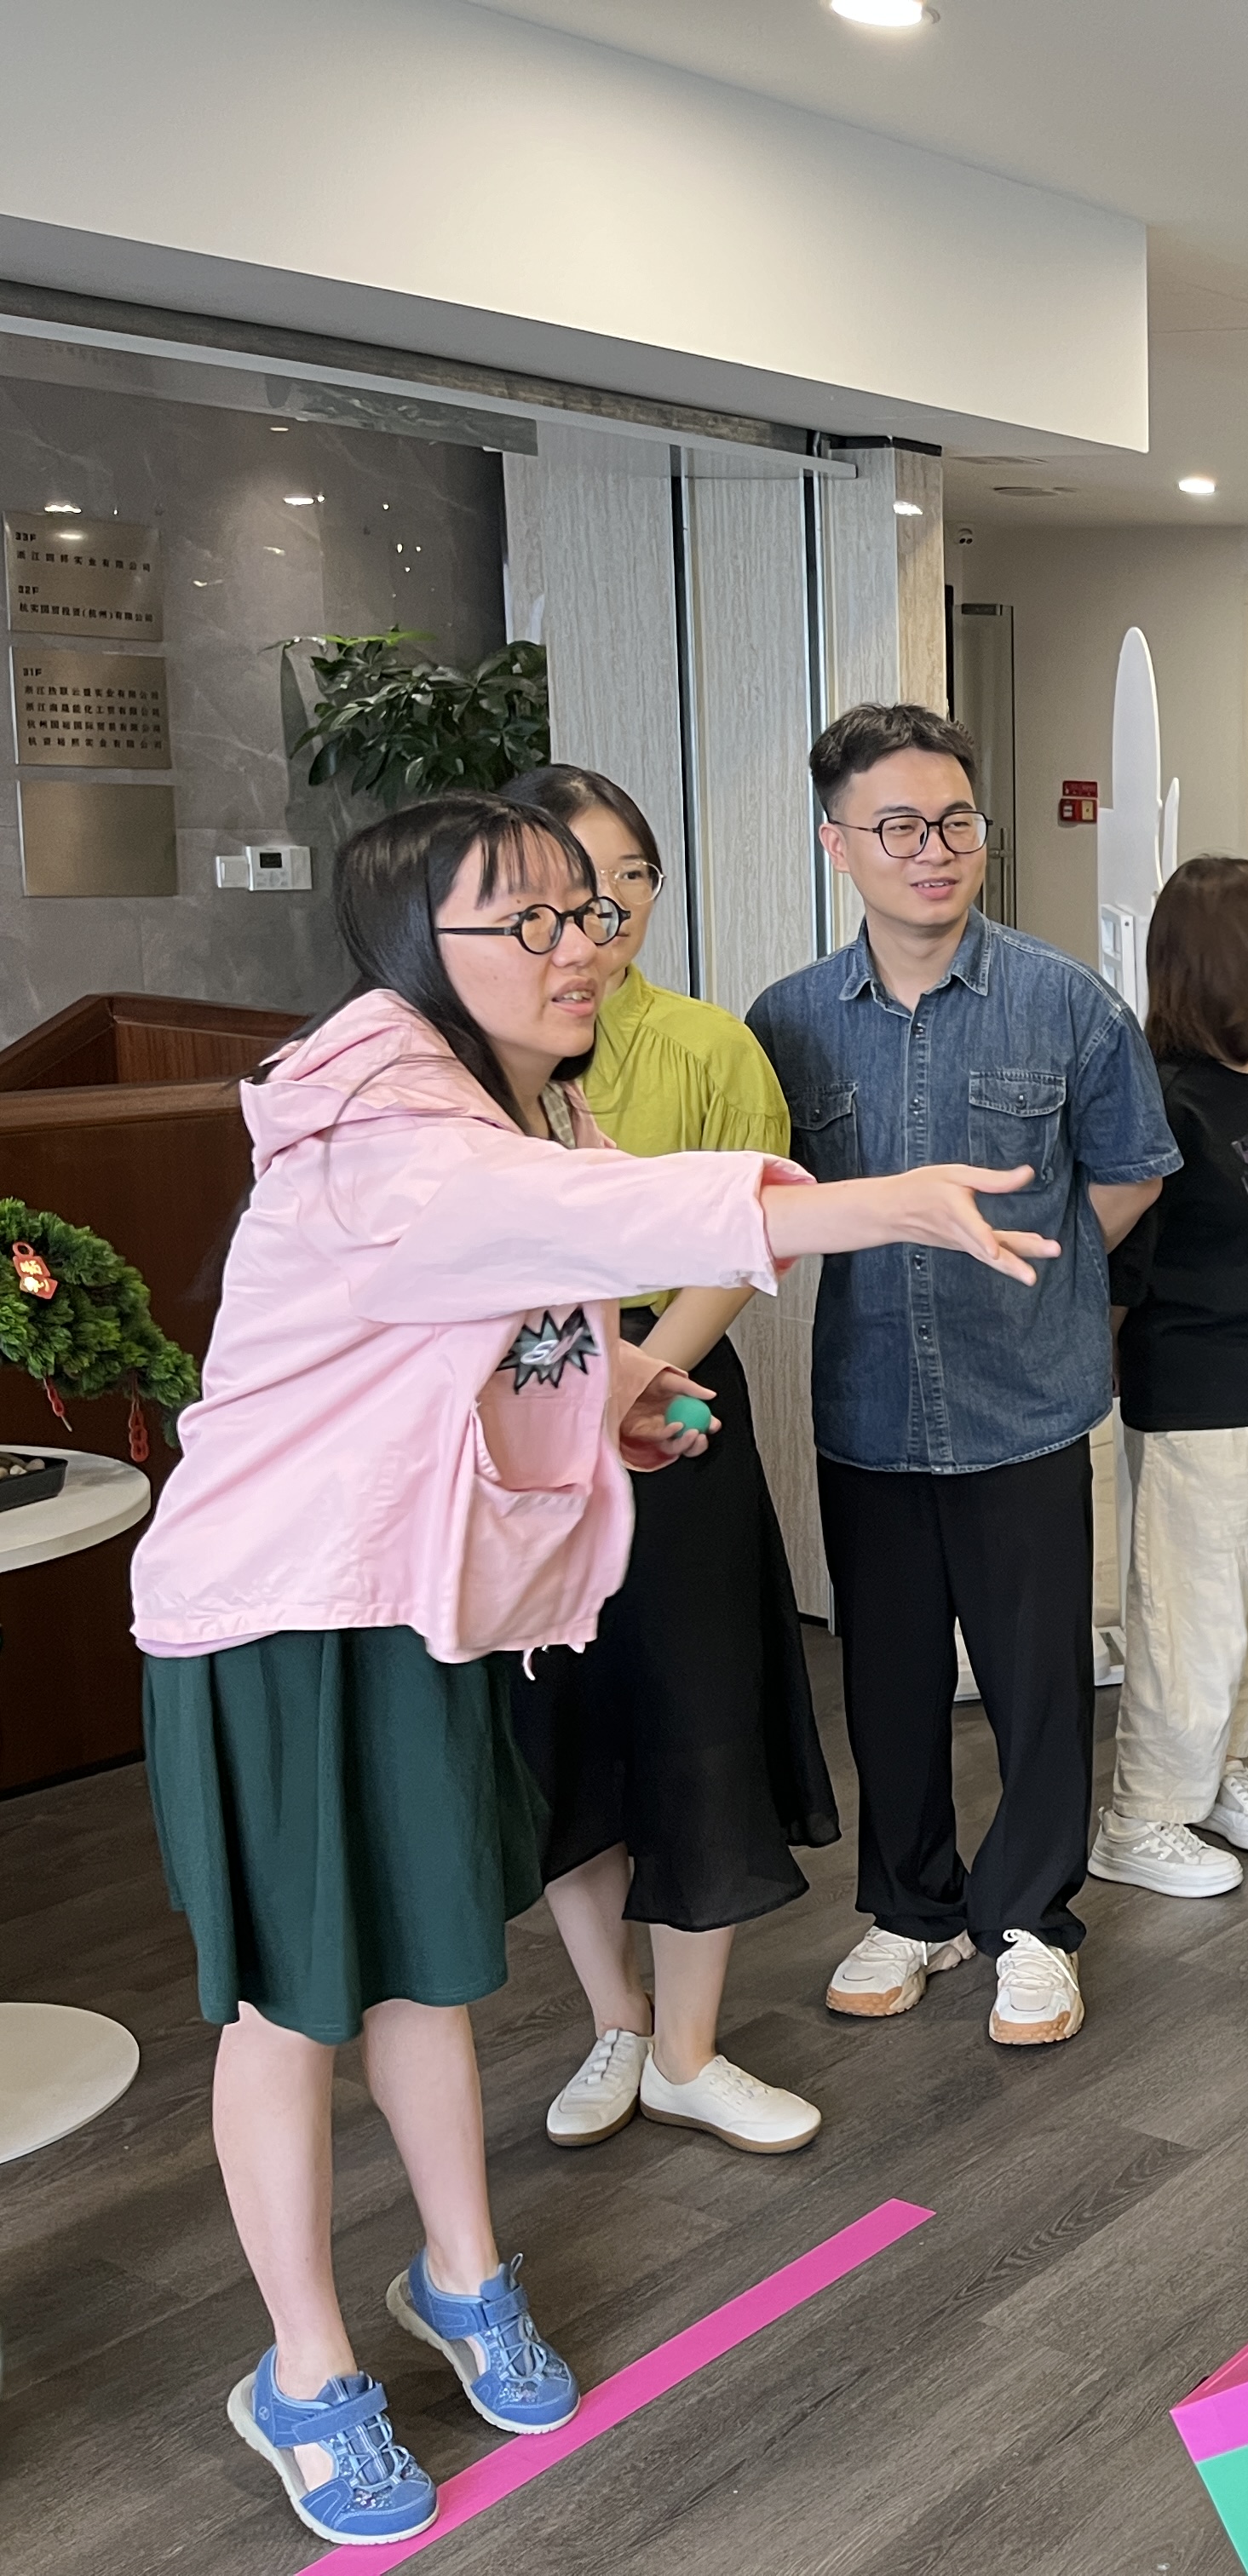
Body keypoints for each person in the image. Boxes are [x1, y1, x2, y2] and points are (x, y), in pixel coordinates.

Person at [129, 794, 1058, 2547]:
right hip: (275, 1618)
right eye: (530, 922)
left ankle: (461, 2274)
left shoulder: (523, 1099)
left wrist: (619, 1393)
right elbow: (579, 1220)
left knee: (427, 1973)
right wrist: (884, 1205)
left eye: (590, 910)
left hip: (418, 1599)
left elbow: (531, 1309)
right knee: (292, 2008)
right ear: (418, 951)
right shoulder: (384, 1124)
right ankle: (302, 2370)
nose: (581, 947)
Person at [747, 703, 1178, 2050]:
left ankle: (1033, 1922)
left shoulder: (1065, 1001)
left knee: (1039, 1683)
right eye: (898, 827)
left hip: (1025, 1402)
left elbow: (1131, 1169)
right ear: (838, 844)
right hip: (869, 1405)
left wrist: (1038, 1276)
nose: (933, 850)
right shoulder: (789, 1022)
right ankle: (912, 1909)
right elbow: (770, 1202)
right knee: (885, 1682)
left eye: (954, 822)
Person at [492, 768, 832, 2161]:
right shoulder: (483, 1063)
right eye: (574, 881)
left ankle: (689, 2050)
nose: (606, 905)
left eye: (630, 874)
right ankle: (615, 2022)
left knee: (699, 1713)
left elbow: (748, 1234)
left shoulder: (708, 1043)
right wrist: (575, 1394)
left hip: (675, 1402)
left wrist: (640, 1380)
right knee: (563, 1719)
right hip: (524, 1415)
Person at [1092, 855, 1248, 1900]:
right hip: (1195, 1395)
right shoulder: (1162, 1098)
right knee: (1192, 1613)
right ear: (1240, 961)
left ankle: (1219, 1764)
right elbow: (1119, 1266)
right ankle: (1143, 1816)